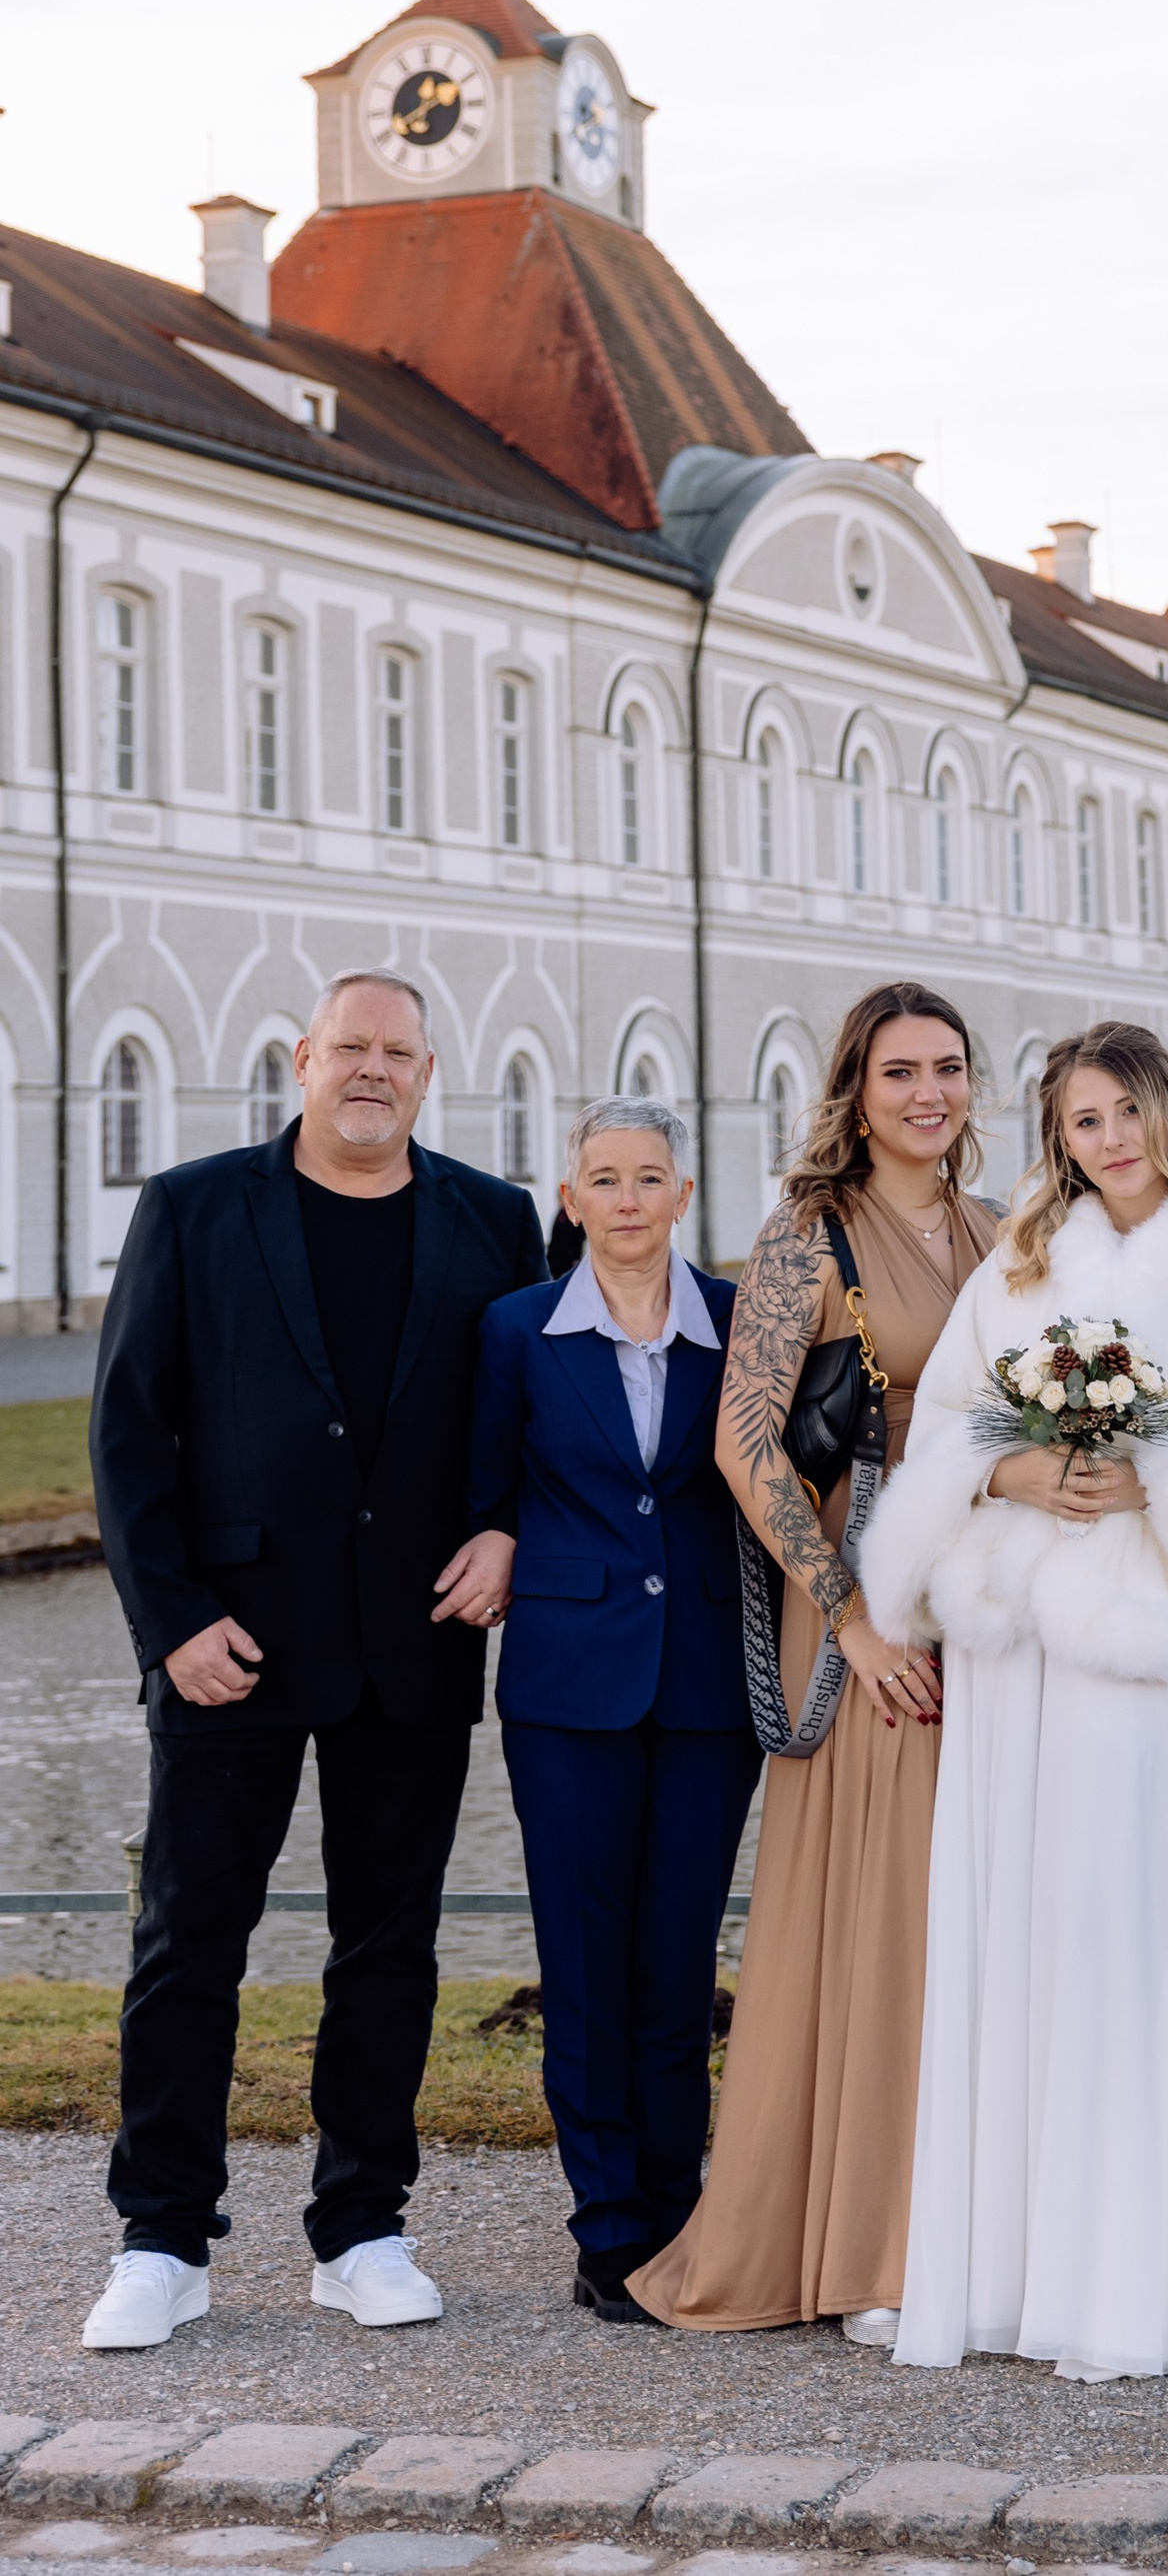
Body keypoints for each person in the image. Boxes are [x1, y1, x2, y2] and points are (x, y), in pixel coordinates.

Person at [862, 1020, 1168, 2379]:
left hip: (1151, 1631)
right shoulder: (1023, 1259)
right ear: (1060, 1135)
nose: (1111, 1139)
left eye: (1128, 1110)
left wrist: (1158, 1474)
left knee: (1138, 1933)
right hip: (1018, 1639)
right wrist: (1012, 1470)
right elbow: (950, 1420)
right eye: (1084, 1119)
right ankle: (1019, 2272)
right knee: (1026, 1936)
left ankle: (1160, 2275)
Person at [82, 971, 544, 2352]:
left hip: (414, 1638)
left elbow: (528, 1410)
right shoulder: (193, 1206)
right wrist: (171, 1620)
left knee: (387, 1950)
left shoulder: (494, 1218)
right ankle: (161, 2237)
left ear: (427, 1071)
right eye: (351, 1046)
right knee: (186, 1944)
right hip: (229, 1638)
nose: (372, 1069)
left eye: (398, 1050)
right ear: (304, 1059)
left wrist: (507, 1526)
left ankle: (361, 2227)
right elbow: (127, 1431)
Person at [629, 984, 999, 2338]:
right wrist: (846, 1615)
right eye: (900, 1070)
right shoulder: (807, 1233)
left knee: (977, 1908)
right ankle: (866, 2246)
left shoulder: (1000, 1227)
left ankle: (973, 2230)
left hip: (990, 1604)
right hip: (868, 1608)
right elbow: (745, 1441)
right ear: (855, 1086)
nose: (928, 1092)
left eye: (947, 1067)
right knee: (883, 1911)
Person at [460, 1099, 761, 2320]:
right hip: (566, 1682)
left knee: (676, 1956)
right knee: (584, 1958)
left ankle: (677, 2211)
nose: (627, 1199)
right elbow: (483, 1483)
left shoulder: (741, 1321)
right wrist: (490, 1536)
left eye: (649, 1177)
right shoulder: (516, 1329)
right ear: (570, 1197)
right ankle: (608, 2227)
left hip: (704, 1682)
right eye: (604, 1177)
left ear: (683, 1193)